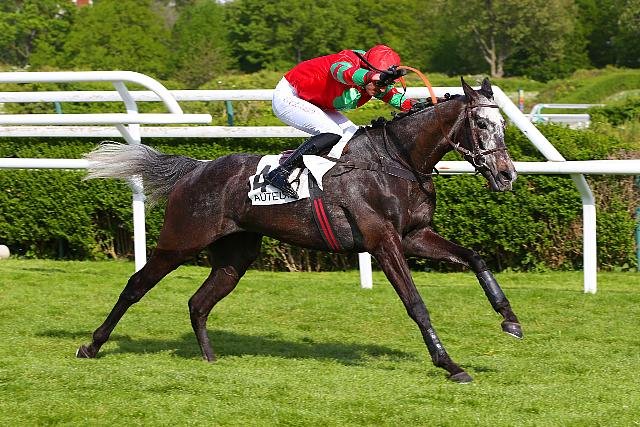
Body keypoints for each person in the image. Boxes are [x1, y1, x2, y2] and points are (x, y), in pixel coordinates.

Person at [267, 44, 415, 198]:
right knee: (332, 132)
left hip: (314, 101)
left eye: (386, 84)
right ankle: (280, 172)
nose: (382, 89)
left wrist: (420, 105)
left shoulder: (373, 79)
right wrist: (370, 76)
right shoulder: (347, 60)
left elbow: (393, 96)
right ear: (368, 70)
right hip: (290, 96)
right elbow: (340, 72)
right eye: (380, 84)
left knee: (353, 137)